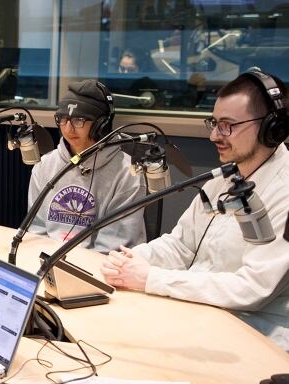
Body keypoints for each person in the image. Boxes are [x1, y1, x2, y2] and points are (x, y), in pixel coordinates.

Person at [100, 71, 289, 350]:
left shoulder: (284, 190)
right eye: (213, 123)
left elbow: (251, 289)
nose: (214, 135)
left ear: (272, 127)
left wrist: (150, 278)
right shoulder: (226, 176)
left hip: (254, 336)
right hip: (200, 315)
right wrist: (130, 261)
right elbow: (181, 245)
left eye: (227, 126)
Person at [27, 79, 147, 253]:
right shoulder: (45, 165)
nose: (68, 129)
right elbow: (37, 232)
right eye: (63, 119)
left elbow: (111, 249)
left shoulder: (128, 173)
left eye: (79, 120)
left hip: (98, 270)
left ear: (101, 125)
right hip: (48, 264)